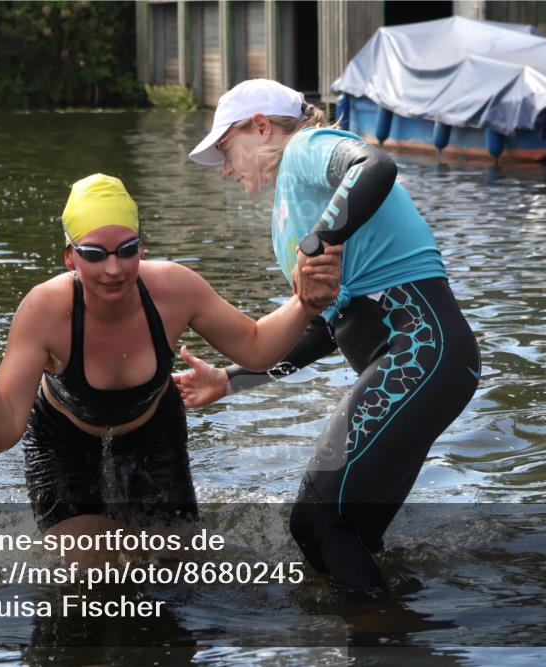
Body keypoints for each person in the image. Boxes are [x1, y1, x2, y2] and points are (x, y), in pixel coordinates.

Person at [0, 174, 342, 565]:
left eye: (127, 250)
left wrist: (305, 303)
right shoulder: (44, 310)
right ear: (70, 257)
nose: (114, 268)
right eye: (95, 254)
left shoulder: (175, 289)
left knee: (177, 568)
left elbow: (255, 348)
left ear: (142, 248)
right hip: (64, 444)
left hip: (153, 434)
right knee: (93, 576)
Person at [178, 79, 481, 595]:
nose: (227, 170)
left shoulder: (305, 148)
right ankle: (396, 632)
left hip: (420, 351)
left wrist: (322, 239)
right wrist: (229, 381)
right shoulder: (289, 215)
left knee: (315, 522)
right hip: (431, 363)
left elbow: (375, 166)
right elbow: (323, 330)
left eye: (227, 150)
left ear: (261, 126)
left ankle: (375, 633)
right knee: (352, 535)